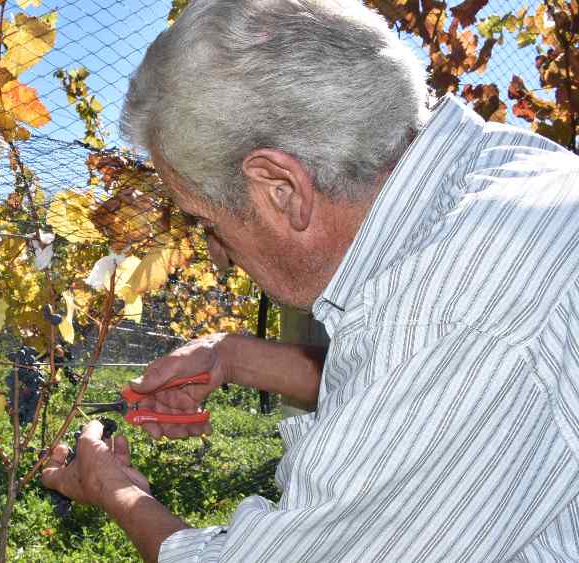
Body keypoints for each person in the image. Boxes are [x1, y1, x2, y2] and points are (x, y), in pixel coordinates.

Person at [40, 0, 579, 561]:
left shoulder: (452, 311)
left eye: (206, 221)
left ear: (281, 187)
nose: (217, 258)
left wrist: (117, 493)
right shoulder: (507, 171)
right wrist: (235, 357)